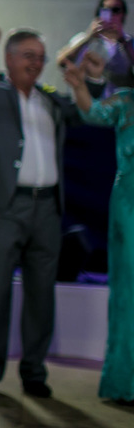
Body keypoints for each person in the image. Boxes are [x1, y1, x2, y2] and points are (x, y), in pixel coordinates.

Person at [0, 27, 81, 399]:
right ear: (9, 59)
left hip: (47, 208)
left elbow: (85, 113)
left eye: (40, 57)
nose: (36, 63)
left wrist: (91, 79)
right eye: (28, 55)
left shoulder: (50, 100)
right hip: (4, 207)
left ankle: (34, 371)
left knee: (42, 293)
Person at [63, 53, 134, 404]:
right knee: (129, 291)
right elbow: (92, 112)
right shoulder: (125, 101)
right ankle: (125, 381)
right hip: (129, 205)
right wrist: (79, 86)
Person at [56, 0, 134, 97]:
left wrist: (122, 41)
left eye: (115, 10)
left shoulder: (129, 42)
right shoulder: (84, 38)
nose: (111, 15)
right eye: (106, 10)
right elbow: (62, 62)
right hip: (86, 102)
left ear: (123, 15)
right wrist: (89, 36)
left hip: (121, 104)